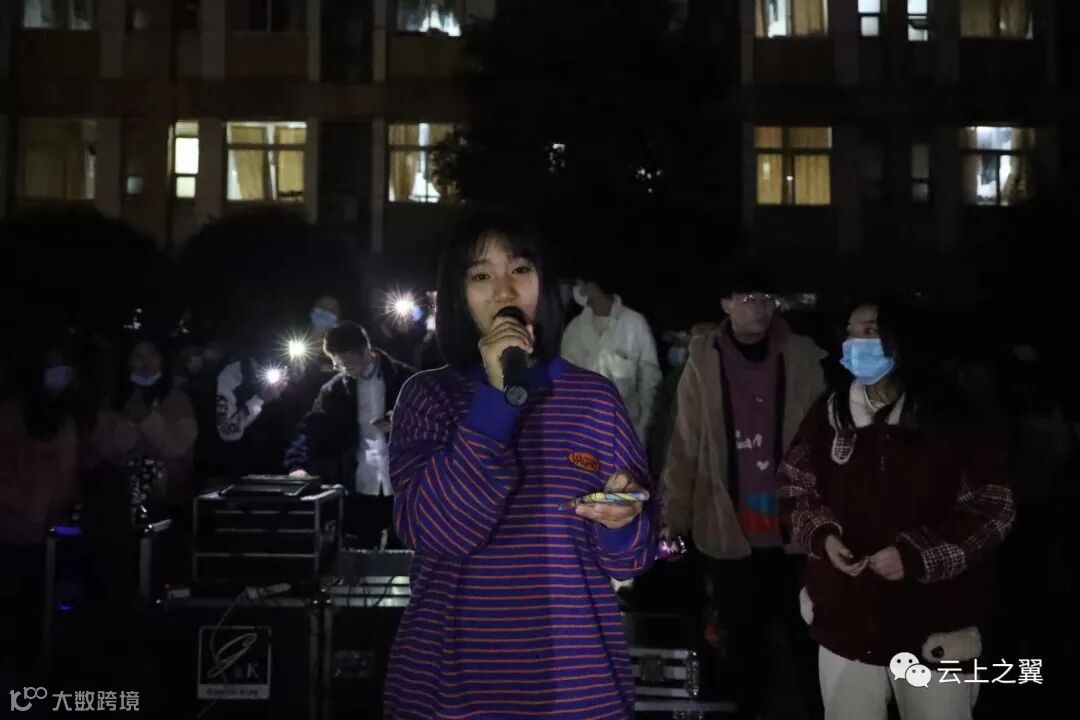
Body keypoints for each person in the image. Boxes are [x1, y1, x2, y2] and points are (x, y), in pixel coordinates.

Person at [383, 209, 660, 720]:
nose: (504, 291)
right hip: (452, 692)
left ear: (545, 284)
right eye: (481, 276)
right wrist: (495, 399)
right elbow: (439, 531)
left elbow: (631, 560)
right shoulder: (428, 397)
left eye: (521, 269)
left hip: (576, 691)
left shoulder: (595, 400)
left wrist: (622, 522)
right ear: (458, 294)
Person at [777, 299, 1016, 720]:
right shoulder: (831, 414)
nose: (855, 343)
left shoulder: (952, 417)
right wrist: (823, 536)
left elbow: (992, 508)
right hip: (846, 616)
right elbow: (794, 486)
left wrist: (916, 555)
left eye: (870, 331)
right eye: (851, 332)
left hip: (934, 623)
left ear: (903, 340)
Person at [661, 269, 826, 720]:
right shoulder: (703, 362)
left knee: (808, 641)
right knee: (743, 649)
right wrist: (673, 519)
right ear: (726, 304)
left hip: (795, 531)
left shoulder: (802, 357)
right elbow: (685, 446)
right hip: (729, 530)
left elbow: (824, 440)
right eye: (748, 297)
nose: (758, 306)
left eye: (766, 297)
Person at [285, 321, 415, 548]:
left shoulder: (407, 380)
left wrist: (405, 425)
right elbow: (310, 428)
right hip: (359, 485)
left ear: (365, 351)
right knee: (360, 555)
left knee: (405, 556)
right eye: (338, 365)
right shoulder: (334, 390)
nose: (343, 369)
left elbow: (439, 423)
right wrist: (297, 464)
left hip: (404, 486)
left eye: (347, 364)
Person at [0, 345, 82, 681]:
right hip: (12, 529)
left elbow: (67, 475)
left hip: (50, 535)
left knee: (42, 612)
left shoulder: (66, 417)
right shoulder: (9, 417)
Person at [91, 337, 198, 522]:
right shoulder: (112, 402)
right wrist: (130, 424)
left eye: (152, 354)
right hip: (119, 505)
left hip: (170, 503)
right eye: (138, 356)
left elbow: (178, 447)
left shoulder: (178, 400)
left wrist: (146, 418)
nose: (146, 362)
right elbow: (102, 450)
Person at [561, 274, 661, 442]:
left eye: (581, 283)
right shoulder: (574, 329)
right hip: (584, 434)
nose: (578, 290)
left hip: (626, 433)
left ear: (595, 285)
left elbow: (650, 380)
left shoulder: (635, 324)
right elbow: (564, 384)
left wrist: (642, 427)